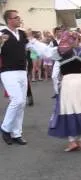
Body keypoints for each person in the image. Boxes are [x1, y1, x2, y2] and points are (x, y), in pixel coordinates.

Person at [0, 10, 30, 145]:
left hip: (22, 71)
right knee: (17, 100)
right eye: (16, 17)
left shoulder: (22, 33)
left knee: (22, 102)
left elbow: (29, 47)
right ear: (9, 20)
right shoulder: (2, 33)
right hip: (8, 71)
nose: (19, 19)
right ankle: (5, 128)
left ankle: (16, 133)